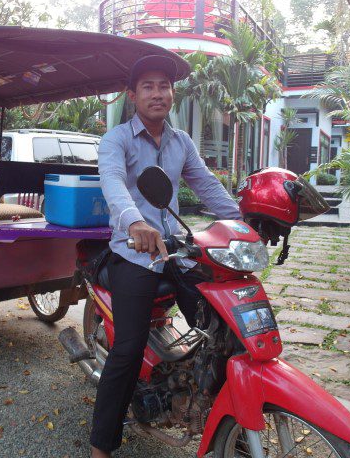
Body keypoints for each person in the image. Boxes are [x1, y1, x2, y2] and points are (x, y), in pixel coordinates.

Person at [90, 55, 241, 458]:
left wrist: (242, 220)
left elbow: (207, 186)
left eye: (164, 86)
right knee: (128, 348)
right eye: (148, 86)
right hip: (133, 253)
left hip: (176, 250)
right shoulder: (117, 139)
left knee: (222, 328)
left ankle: (224, 417)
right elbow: (112, 181)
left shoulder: (181, 142)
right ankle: (101, 447)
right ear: (132, 95)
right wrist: (134, 222)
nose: (157, 93)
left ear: (172, 93)